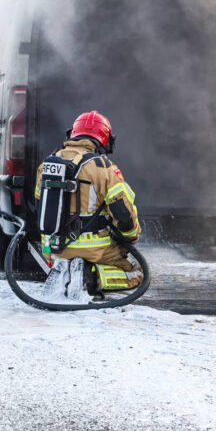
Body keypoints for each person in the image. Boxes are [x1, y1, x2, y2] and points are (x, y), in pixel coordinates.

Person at [35, 110, 142, 297]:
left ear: (72, 134)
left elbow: (39, 206)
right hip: (92, 249)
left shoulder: (47, 165)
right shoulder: (103, 167)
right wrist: (130, 238)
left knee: (64, 256)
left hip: (52, 247)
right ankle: (91, 276)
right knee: (135, 271)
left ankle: (65, 268)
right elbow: (124, 215)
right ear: (106, 141)